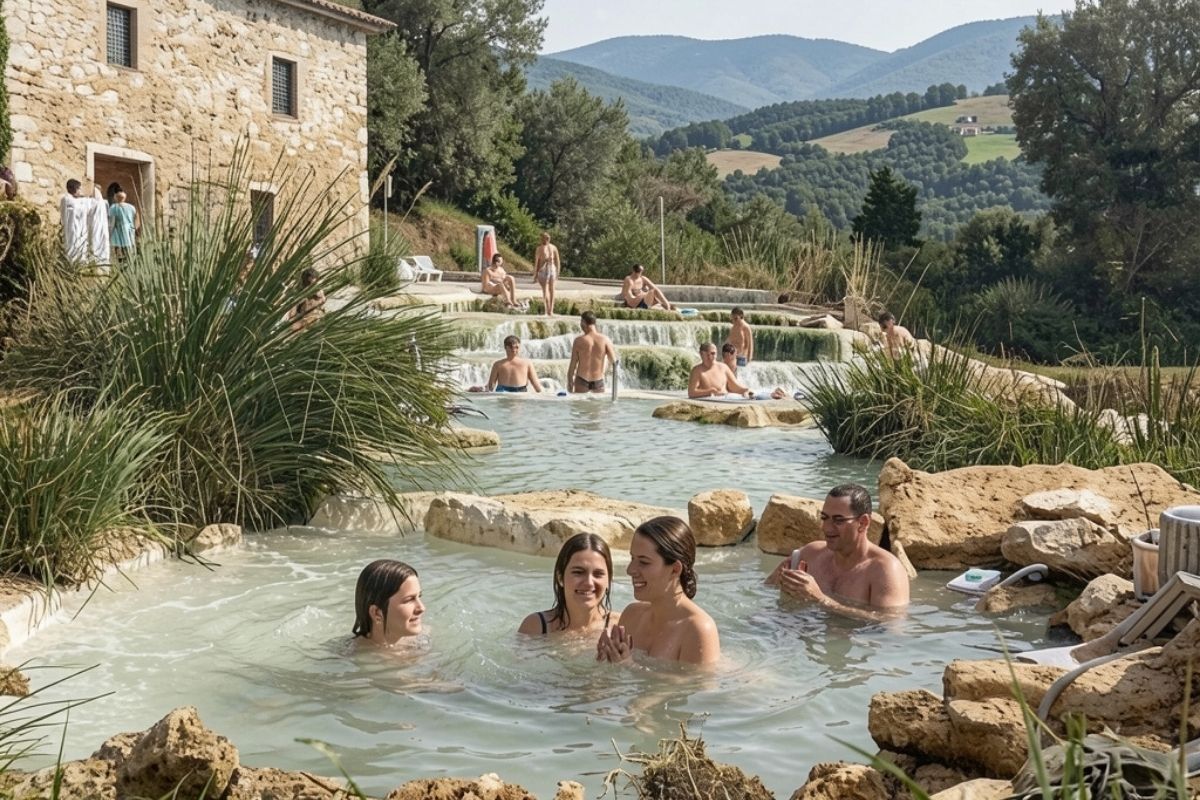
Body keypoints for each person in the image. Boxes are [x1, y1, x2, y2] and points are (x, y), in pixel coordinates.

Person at [765, 484, 910, 615]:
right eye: (824, 518)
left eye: (838, 520)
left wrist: (820, 599)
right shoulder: (810, 554)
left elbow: (889, 626)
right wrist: (780, 582)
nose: (826, 528)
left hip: (855, 640)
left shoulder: (886, 570)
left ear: (863, 522)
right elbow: (763, 590)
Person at [597, 516, 720, 665]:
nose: (630, 570)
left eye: (643, 562)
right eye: (632, 559)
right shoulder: (631, 615)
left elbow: (695, 686)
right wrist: (605, 661)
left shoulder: (698, 629)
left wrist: (629, 667)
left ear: (675, 569)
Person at [519, 533, 619, 636]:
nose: (589, 582)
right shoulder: (535, 627)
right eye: (578, 572)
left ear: (609, 579)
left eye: (598, 574)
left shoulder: (620, 626)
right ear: (560, 577)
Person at [352, 559, 425, 646]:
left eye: (419, 596)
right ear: (377, 613)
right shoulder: (349, 657)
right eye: (409, 600)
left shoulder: (423, 638)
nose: (422, 608)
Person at [471, 334, 543, 393]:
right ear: (505, 347)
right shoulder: (498, 364)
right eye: (511, 347)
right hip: (502, 392)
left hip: (520, 392)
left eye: (517, 347)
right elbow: (490, 387)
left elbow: (536, 386)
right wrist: (479, 389)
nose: (514, 350)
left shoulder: (527, 363)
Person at [567, 311, 617, 394]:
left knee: (580, 406)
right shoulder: (605, 340)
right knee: (597, 406)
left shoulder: (578, 341)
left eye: (581, 322)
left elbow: (573, 363)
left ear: (583, 322)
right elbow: (614, 362)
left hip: (581, 382)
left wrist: (569, 381)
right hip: (598, 383)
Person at [289, 267, 326, 332]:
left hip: (315, 320)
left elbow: (323, 302)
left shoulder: (319, 291)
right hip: (304, 321)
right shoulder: (301, 293)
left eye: (315, 278)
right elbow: (293, 311)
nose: (314, 281)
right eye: (312, 278)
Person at [533, 232, 560, 318]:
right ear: (542, 239)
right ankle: (546, 310)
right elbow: (536, 262)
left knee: (552, 290)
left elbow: (557, 261)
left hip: (552, 269)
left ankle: (551, 310)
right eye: (545, 238)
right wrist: (535, 275)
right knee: (545, 290)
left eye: (548, 238)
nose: (546, 239)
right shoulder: (539, 249)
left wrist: (557, 272)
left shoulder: (553, 248)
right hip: (543, 270)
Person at [108, 190, 138, 262]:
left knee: (119, 249)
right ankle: (130, 263)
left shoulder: (113, 207)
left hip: (118, 230)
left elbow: (112, 222)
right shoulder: (131, 207)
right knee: (128, 248)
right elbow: (136, 218)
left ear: (116, 197)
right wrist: (134, 228)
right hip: (129, 230)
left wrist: (109, 233)